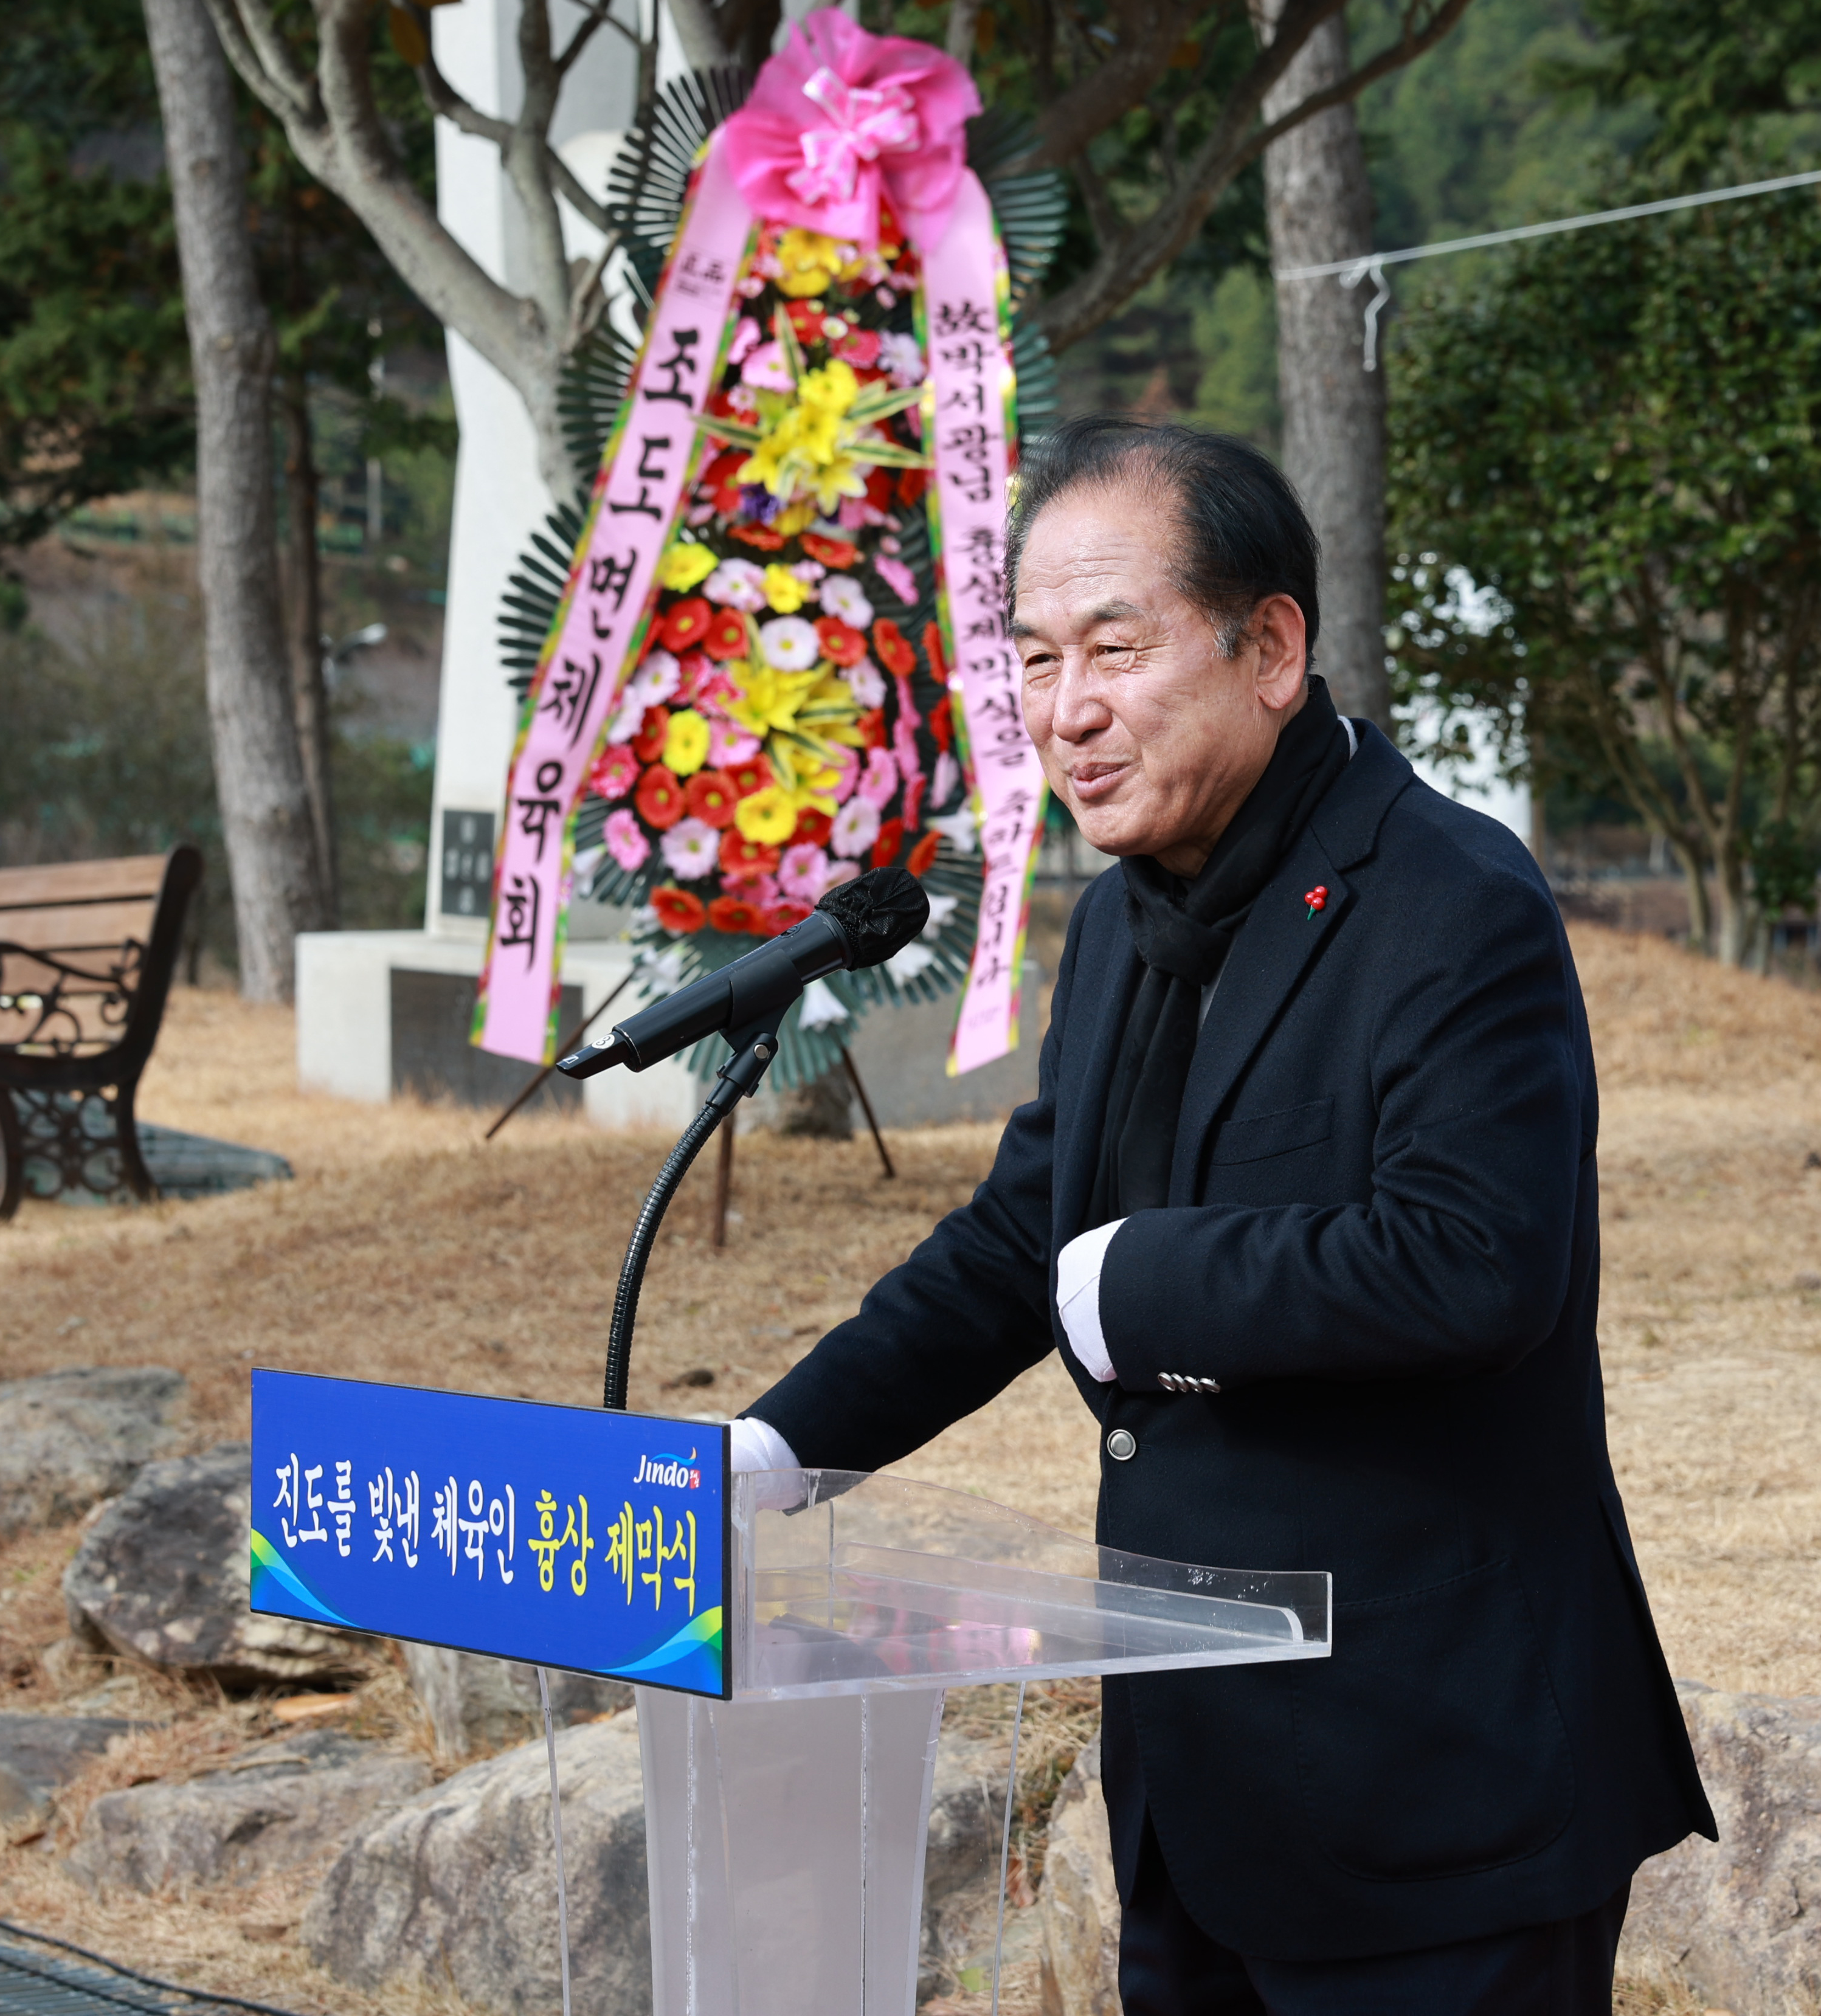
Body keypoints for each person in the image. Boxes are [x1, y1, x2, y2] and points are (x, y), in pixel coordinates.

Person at [734, 416, 1713, 2012]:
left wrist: (1149, 1280)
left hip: (1433, 1794)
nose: (1066, 711)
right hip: (1197, 1785)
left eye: (1113, 649)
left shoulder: (1452, 896)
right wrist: (774, 1457)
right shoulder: (1122, 923)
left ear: (1272, 647)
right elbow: (1015, 1247)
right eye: (1035, 660)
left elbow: (1477, 1260)